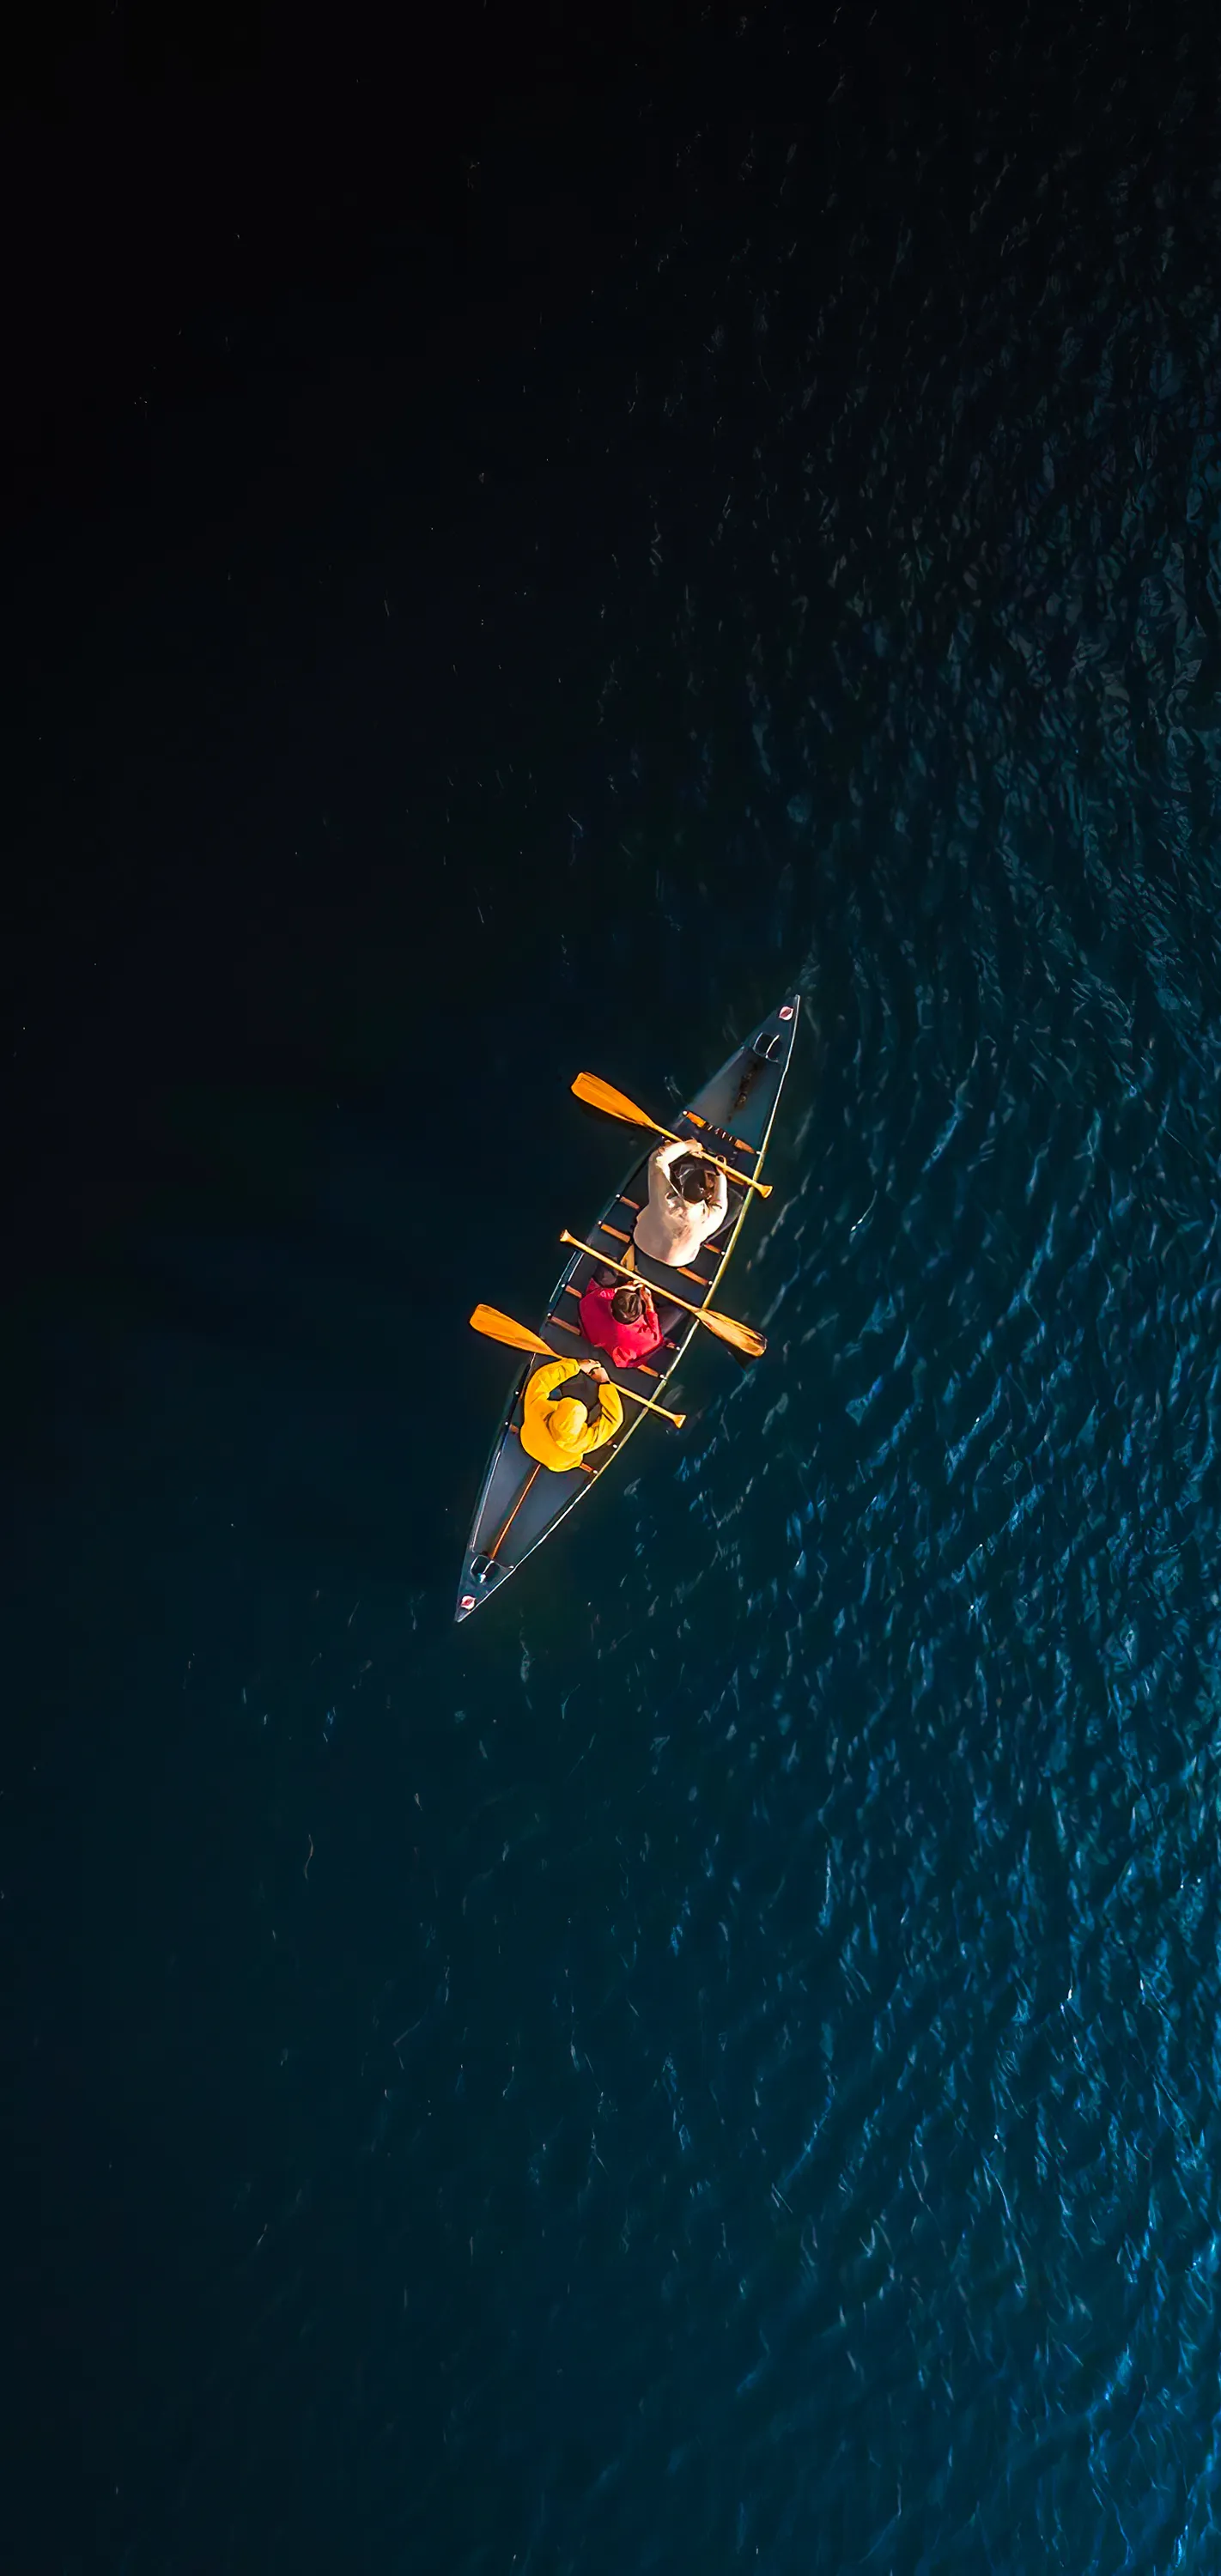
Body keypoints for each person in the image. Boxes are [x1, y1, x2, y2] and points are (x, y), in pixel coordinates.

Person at [633, 1139, 728, 1270]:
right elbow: (720, 1201)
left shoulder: (666, 1198)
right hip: (678, 1260)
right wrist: (721, 1174)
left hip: (642, 1239)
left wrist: (689, 1145)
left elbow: (657, 1158)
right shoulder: (711, 1219)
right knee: (736, 1202)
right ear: (708, 1195)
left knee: (655, 1191)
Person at [519, 1354, 623, 1472]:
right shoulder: (582, 1442)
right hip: (557, 1460)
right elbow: (614, 1419)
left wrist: (577, 1366)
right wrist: (604, 1385)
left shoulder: (537, 1410)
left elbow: (543, 1379)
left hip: (532, 1441)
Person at [578, 1273, 665, 1370]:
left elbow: (593, 1297)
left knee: (605, 1276)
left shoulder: (595, 1306)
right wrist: (648, 1300)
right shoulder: (652, 1338)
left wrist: (618, 1290)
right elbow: (651, 1314)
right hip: (628, 1354)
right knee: (675, 1311)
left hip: (605, 1342)